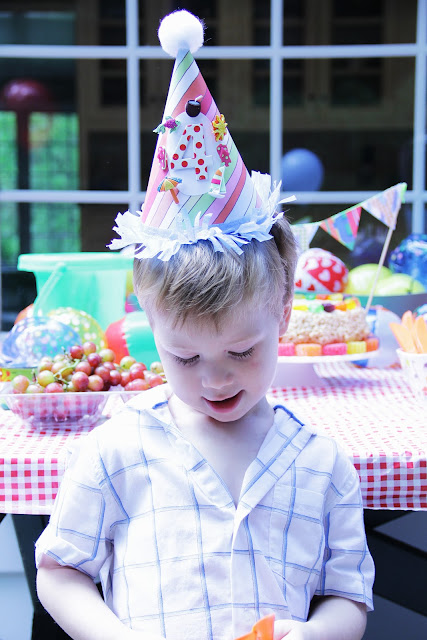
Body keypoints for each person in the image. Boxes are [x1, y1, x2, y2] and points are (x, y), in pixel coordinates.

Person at [35, 10, 374, 640]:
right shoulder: (117, 448)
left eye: (242, 351)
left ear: (283, 312)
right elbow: (59, 572)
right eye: (185, 358)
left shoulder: (321, 464)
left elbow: (349, 598)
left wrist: (315, 633)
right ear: (149, 326)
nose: (215, 380)